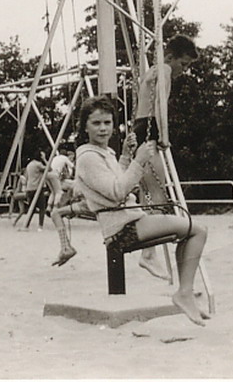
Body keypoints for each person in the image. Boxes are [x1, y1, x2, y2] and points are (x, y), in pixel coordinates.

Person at [75, 96, 209, 326]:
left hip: (129, 220)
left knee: (189, 232)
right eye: (96, 123)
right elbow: (117, 191)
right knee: (198, 230)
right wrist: (138, 161)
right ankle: (184, 293)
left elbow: (118, 179)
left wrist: (126, 156)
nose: (103, 128)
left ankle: (182, 289)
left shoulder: (104, 153)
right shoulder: (87, 157)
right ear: (84, 126)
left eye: (107, 122)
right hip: (122, 228)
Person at [132, 34, 199, 280]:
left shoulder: (151, 71)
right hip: (150, 130)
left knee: (148, 195)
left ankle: (149, 252)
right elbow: (161, 106)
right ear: (170, 57)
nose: (184, 70)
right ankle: (148, 254)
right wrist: (164, 136)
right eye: (184, 64)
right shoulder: (165, 70)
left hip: (139, 128)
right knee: (157, 196)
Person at [23, 149, 59, 230]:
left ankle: (26, 225)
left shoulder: (29, 164)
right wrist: (44, 159)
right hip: (37, 188)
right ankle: (40, 226)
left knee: (31, 208)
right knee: (42, 208)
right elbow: (49, 169)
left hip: (29, 188)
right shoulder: (38, 164)